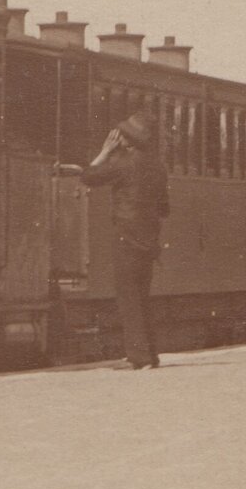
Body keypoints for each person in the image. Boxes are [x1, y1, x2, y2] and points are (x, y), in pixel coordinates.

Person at [75, 113, 169, 369]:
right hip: (149, 240)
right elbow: (164, 208)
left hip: (126, 236)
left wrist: (105, 152)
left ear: (126, 141)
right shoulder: (159, 166)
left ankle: (140, 358)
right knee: (142, 296)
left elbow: (87, 176)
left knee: (128, 298)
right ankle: (151, 355)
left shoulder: (122, 163)